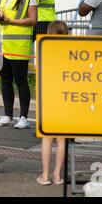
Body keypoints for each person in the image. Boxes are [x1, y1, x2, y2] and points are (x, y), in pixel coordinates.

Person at [0, 0, 37, 129]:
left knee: (21, 81)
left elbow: (33, 20)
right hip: (1, 44)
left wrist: (11, 21)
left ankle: (24, 117)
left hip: (18, 46)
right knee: (5, 81)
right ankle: (7, 115)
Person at [36, 20, 68, 186]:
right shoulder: (70, 52)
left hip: (48, 96)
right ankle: (57, 175)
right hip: (64, 97)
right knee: (62, 139)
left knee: (47, 138)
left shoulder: (44, 48)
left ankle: (45, 175)